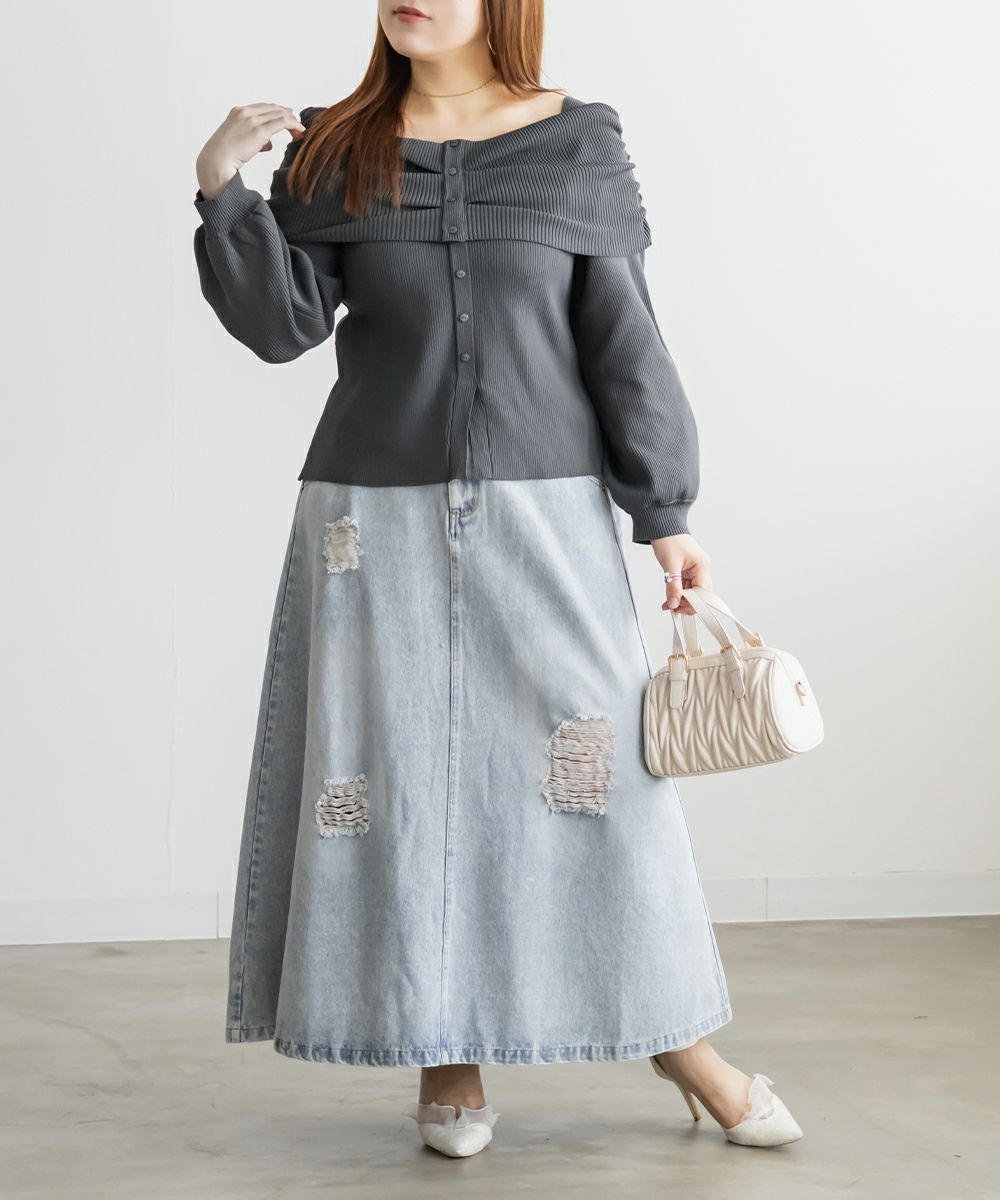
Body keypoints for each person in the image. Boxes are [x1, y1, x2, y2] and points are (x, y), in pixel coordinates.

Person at [192, 0, 802, 1159]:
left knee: (601, 783)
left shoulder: (576, 140)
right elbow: (283, 328)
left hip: (548, 507)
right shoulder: (335, 147)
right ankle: (447, 1055)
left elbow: (622, 335)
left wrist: (664, 512)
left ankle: (681, 1047)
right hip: (370, 518)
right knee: (404, 780)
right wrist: (224, 189)